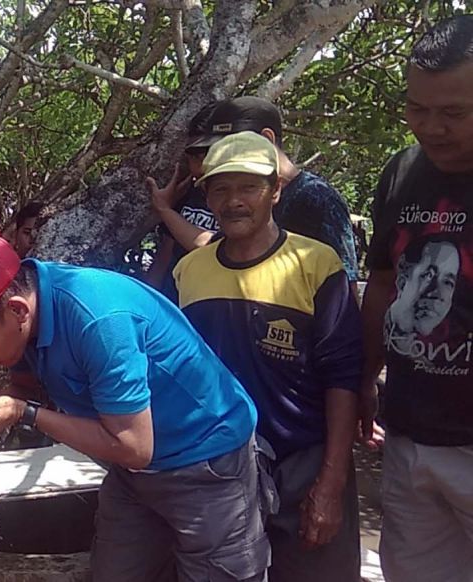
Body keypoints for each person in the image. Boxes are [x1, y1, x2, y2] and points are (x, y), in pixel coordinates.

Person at [0, 233, 269, 582]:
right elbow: (27, 386)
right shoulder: (28, 310)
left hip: (205, 464)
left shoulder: (99, 321)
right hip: (132, 475)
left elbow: (134, 447)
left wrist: (22, 412)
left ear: (17, 310)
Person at [173, 132, 362, 581]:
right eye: (220, 188)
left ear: (275, 190)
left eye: (248, 187)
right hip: (221, 468)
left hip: (304, 461)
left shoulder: (316, 264)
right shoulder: (189, 271)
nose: (233, 201)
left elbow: (344, 375)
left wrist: (331, 482)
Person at [360, 15, 473, 581]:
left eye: (454, 112)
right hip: (409, 433)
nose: (432, 128)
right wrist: (362, 379)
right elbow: (383, 282)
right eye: (417, 108)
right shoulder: (402, 172)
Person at [150, 96, 360, 289]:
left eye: (229, 144)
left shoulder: (317, 199)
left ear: (267, 139)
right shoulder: (232, 198)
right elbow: (214, 246)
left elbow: (344, 291)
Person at [143, 101, 221, 292]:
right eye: (195, 156)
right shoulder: (188, 193)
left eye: (211, 154)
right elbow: (165, 255)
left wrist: (164, 210)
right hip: (176, 303)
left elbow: (214, 248)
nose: (204, 165)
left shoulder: (247, 200)